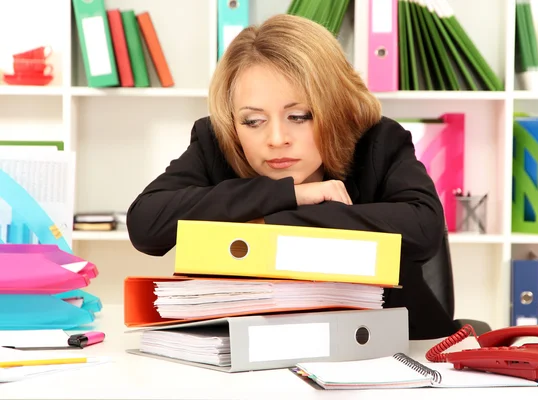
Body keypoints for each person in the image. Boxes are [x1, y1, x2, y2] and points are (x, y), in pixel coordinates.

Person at [127, 14, 453, 340]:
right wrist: (289, 193)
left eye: (299, 116)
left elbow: (423, 227)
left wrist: (271, 222)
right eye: (253, 121)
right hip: (252, 348)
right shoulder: (217, 143)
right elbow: (146, 224)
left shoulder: (377, 141)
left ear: (335, 107)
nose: (277, 138)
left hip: (394, 346)